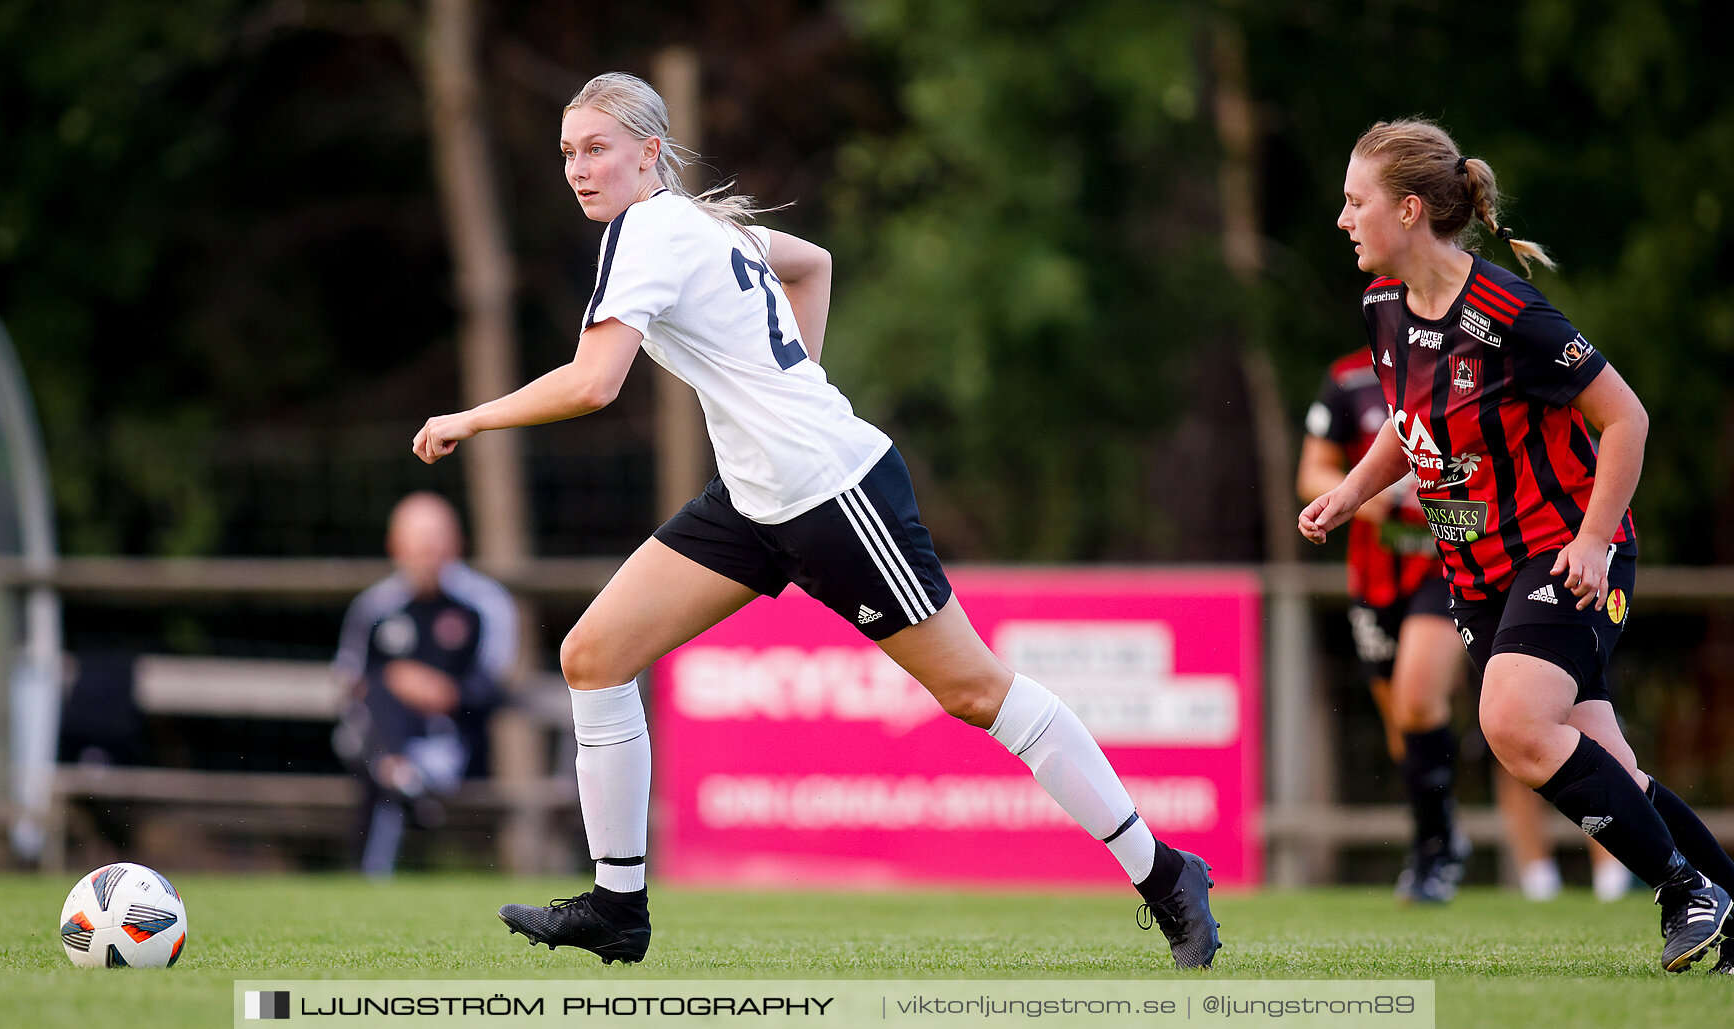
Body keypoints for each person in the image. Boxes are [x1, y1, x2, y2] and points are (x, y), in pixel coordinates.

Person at [412, 71, 1221, 970]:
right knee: (591, 656)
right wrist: (789, 383)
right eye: (567, 152)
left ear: (649, 154)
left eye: (596, 148)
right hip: (757, 498)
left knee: (976, 693)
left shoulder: (649, 229)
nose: (578, 168)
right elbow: (814, 263)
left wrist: (468, 417)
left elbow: (595, 382)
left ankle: (1167, 874)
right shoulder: (695, 226)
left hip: (834, 492)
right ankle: (617, 905)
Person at [1300, 118, 1734, 972]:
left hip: (1562, 556)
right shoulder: (1384, 304)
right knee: (1608, 766)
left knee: (1509, 720)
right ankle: (1727, 895)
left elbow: (1627, 419)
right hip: (1478, 574)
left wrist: (1594, 539)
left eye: (1357, 203)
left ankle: (1687, 892)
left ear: (1412, 209)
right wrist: (1352, 493)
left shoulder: (1511, 314)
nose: (1343, 219)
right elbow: (1409, 421)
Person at [1299, 351, 1631, 903]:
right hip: (1378, 575)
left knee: (1440, 696)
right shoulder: (1351, 378)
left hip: (1459, 565)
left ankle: (1621, 867)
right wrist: (1369, 495)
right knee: (1405, 722)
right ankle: (1441, 838)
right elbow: (1312, 471)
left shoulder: (1478, 358)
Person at [331, 491, 518, 876]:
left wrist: (440, 691)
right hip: (379, 736)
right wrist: (397, 683)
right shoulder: (374, 607)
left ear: (456, 543)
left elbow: (492, 684)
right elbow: (351, 681)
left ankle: (396, 787)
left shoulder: (484, 604)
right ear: (395, 546)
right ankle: (401, 773)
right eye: (417, 542)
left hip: (456, 740)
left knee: (379, 753)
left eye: (435, 541)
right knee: (377, 712)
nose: (426, 552)